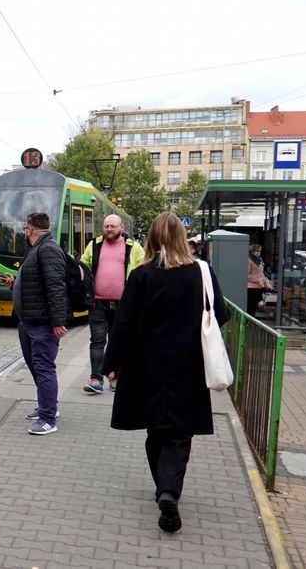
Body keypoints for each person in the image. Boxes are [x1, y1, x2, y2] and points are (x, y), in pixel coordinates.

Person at [101, 212, 230, 534]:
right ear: (182, 238)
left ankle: (164, 488)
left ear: (152, 238)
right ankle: (169, 491)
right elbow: (222, 314)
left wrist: (110, 365)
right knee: (179, 431)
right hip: (189, 363)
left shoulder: (142, 275)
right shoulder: (201, 272)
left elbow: (124, 324)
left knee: (156, 428)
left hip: (147, 365)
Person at [78, 214, 145, 394]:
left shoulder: (135, 248)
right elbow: (83, 268)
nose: (108, 230)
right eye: (106, 226)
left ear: (121, 227)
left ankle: (116, 377)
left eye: (112, 226)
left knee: (120, 342)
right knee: (97, 342)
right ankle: (96, 379)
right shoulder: (94, 245)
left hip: (124, 305)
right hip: (98, 304)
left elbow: (143, 271)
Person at [16, 212, 69, 435]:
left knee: (44, 368)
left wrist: (58, 321)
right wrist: (15, 284)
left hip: (42, 324)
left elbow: (56, 287)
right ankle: (47, 407)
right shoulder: (38, 249)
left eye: (25, 230)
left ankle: (49, 419)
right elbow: (38, 284)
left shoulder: (47, 249)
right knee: (36, 366)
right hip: (29, 320)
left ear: (30, 230)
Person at [247, 244, 271, 318]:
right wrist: (257, 279)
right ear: (253, 251)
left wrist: (267, 284)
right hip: (251, 287)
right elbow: (247, 274)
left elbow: (262, 274)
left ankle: (252, 319)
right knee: (251, 306)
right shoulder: (249, 260)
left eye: (259, 251)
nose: (259, 252)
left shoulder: (259, 260)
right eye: (257, 251)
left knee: (255, 305)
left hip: (259, 286)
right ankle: (250, 319)